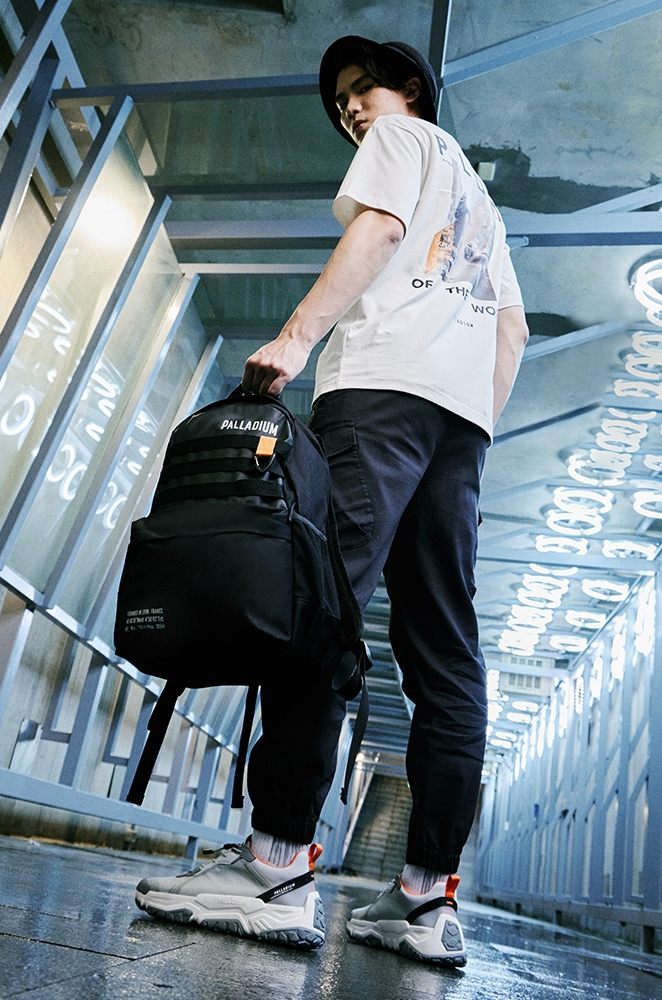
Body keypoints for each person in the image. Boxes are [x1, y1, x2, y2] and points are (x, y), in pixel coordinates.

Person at [134, 36, 529, 967]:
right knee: (446, 652)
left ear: (409, 89)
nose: (352, 108)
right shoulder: (481, 207)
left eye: (363, 89)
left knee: (319, 609)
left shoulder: (403, 138)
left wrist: (297, 335)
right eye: (343, 100)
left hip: (380, 397)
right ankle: (425, 898)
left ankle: (275, 864)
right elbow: (512, 329)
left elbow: (381, 229)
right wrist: (469, 422)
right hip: (457, 427)